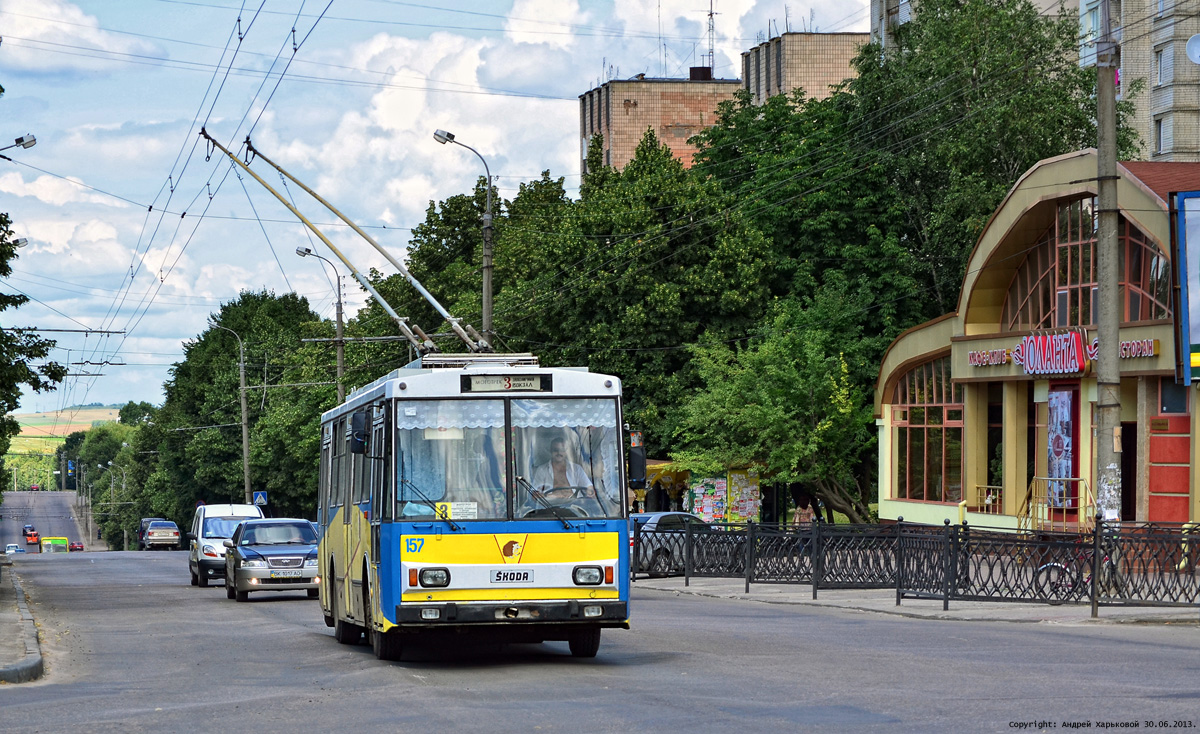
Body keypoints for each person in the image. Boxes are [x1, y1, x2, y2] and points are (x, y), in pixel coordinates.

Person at [529, 437, 594, 501]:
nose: (559, 453)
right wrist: (554, 496)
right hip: (549, 507)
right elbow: (534, 495)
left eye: (562, 450)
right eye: (555, 450)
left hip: (576, 507)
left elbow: (589, 488)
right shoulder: (542, 470)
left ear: (566, 452)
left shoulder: (577, 469)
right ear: (551, 451)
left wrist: (590, 493)